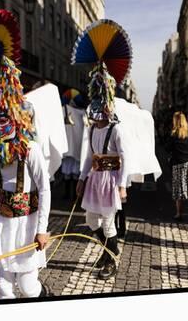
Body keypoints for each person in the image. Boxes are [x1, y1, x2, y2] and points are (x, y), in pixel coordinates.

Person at [0, 54, 51, 299]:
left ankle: (44, 295)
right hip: (3, 226)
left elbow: (44, 189)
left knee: (27, 288)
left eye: (5, 118)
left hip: (27, 225)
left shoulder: (31, 150)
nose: (0, 124)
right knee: (3, 288)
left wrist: (42, 229)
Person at [75, 64, 128, 281]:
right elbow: (89, 157)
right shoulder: (92, 129)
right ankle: (110, 251)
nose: (95, 119)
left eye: (98, 114)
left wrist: (122, 185)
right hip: (95, 180)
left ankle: (111, 260)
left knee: (108, 223)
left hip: (110, 181)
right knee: (91, 220)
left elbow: (126, 158)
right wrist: (81, 178)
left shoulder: (116, 129)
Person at [167, 111, 188, 222]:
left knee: (179, 191)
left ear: (175, 121)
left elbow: (168, 148)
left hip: (179, 164)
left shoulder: (173, 134)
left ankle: (178, 214)